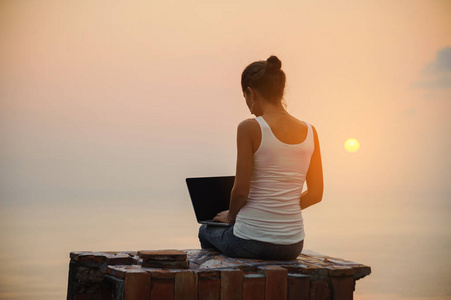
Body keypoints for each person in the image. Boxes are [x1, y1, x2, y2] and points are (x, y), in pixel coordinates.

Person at [198, 55, 323, 260]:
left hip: (251, 241)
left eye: (245, 97)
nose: (248, 104)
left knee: (206, 231)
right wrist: (281, 210)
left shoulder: (249, 128)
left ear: (251, 93)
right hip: (292, 245)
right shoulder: (311, 131)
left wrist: (230, 216)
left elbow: (241, 191)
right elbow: (316, 193)